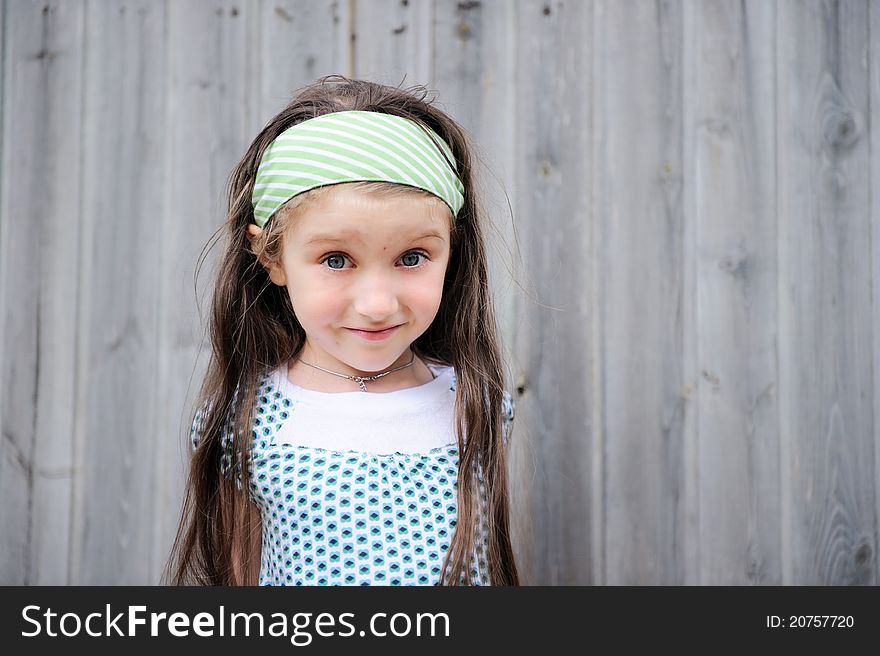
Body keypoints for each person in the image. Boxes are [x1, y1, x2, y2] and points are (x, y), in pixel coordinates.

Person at [164, 75, 518, 586]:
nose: (377, 304)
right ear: (271, 255)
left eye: (412, 257)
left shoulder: (477, 405)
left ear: (451, 250)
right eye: (336, 259)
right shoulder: (246, 421)